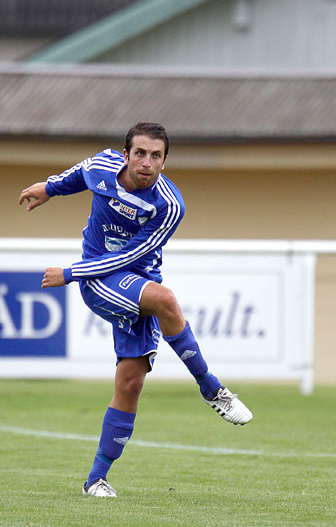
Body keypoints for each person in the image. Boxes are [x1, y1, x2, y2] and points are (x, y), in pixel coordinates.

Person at [18, 122, 253, 498]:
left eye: (156, 156)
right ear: (126, 155)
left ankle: (96, 479)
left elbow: (131, 256)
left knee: (130, 383)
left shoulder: (169, 205)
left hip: (132, 277)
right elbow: (81, 174)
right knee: (166, 300)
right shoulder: (102, 167)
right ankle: (211, 388)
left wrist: (68, 273)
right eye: (140, 153)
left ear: (164, 161)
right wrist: (49, 188)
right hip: (98, 278)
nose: (146, 162)